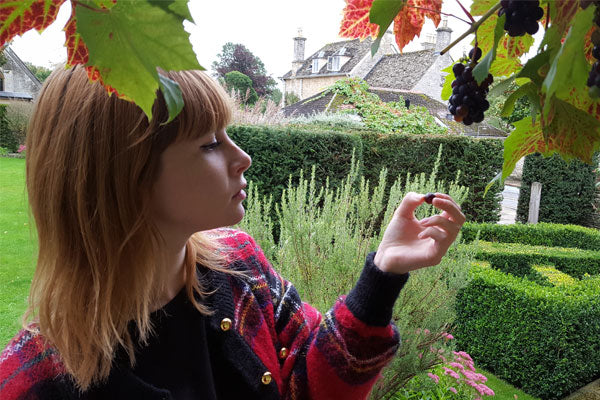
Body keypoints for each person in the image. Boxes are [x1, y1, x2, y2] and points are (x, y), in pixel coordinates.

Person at [0, 65, 465, 400]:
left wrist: (381, 275)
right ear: (122, 175)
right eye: (208, 143)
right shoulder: (34, 380)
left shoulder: (240, 269)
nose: (242, 157)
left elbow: (312, 384)